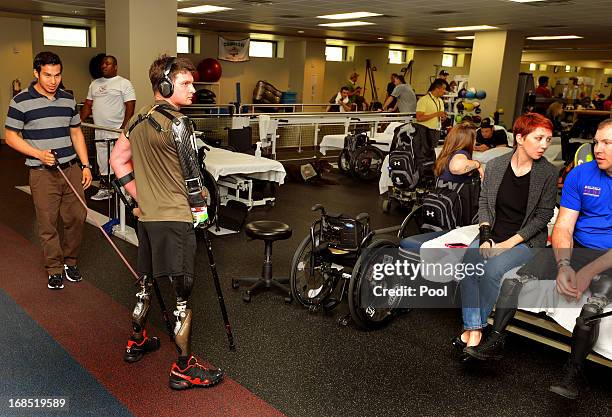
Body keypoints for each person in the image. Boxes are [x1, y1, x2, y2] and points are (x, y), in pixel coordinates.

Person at [464, 119, 611, 399]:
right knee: (515, 281)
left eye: (606, 143)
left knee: (592, 309)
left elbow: (542, 218)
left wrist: (586, 272)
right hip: (577, 249)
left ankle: (573, 372)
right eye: (596, 142)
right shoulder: (580, 176)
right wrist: (565, 265)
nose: (597, 149)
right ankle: (494, 340)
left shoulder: (546, 172)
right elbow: (563, 226)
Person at [109, 55, 224, 390]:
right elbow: (192, 180)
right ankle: (184, 369)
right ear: (164, 85)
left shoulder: (137, 120)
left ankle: (137, 340)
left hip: (147, 219)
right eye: (186, 83)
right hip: (176, 218)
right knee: (182, 296)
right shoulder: (179, 124)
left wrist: (137, 197)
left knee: (145, 283)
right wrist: (203, 216)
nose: (194, 89)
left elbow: (117, 160)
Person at [455, 113, 557, 357]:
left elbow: (542, 218)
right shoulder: (497, 165)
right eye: (539, 138)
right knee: (470, 263)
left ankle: (472, 330)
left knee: (492, 270)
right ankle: (475, 329)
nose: (544, 145)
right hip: (495, 232)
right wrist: (486, 236)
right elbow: (485, 204)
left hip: (525, 239)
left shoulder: (548, 173)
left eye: (548, 139)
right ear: (520, 138)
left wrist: (507, 244)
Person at [4, 51, 92, 290]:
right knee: (47, 222)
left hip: (71, 168)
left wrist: (85, 165)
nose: (53, 81)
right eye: (47, 75)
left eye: (57, 74)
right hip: (42, 172)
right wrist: (37, 153)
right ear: (36, 73)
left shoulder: (67, 99)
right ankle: (54, 267)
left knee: (76, 217)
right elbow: (10, 136)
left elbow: (75, 132)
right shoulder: (21, 101)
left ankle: (70, 261)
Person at [399, 123, 483, 252]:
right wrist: (477, 164)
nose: (476, 141)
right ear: (467, 140)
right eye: (474, 138)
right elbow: (456, 167)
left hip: (442, 208)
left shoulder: (445, 155)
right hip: (459, 214)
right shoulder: (461, 154)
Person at [80, 55, 136, 200]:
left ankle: (126, 190)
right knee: (102, 161)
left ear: (115, 66)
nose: (104, 66)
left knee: (119, 160)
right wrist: (79, 120)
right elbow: (88, 105)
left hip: (117, 130)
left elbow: (130, 105)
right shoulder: (94, 84)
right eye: (103, 64)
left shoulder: (124, 83)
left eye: (108, 63)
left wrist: (125, 127)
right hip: (100, 130)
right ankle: (105, 189)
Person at [413, 79, 448, 181]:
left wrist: (442, 117)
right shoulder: (424, 100)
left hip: (436, 130)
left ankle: (431, 176)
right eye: (443, 89)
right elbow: (419, 118)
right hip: (424, 130)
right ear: (437, 88)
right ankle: (421, 177)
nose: (444, 91)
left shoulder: (440, 101)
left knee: (433, 155)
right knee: (424, 155)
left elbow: (440, 115)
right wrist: (436, 114)